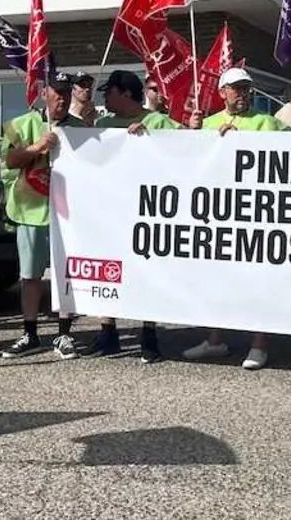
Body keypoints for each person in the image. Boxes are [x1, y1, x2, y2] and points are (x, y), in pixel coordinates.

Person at [181, 68, 288, 370]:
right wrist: (191, 133)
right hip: (219, 214)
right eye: (236, 88)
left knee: (259, 281)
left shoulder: (268, 122)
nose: (242, 94)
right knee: (217, 278)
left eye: (246, 88)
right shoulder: (208, 123)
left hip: (256, 214)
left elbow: (290, 154)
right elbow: (188, 162)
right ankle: (214, 339)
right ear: (222, 92)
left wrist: (243, 142)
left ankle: (259, 344)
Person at [88, 69, 183, 363]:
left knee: (146, 270)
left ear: (126, 93)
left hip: (145, 211)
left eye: (109, 92)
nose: (105, 97)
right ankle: (107, 332)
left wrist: (151, 138)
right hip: (110, 209)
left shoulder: (156, 121)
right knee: (108, 268)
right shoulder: (102, 125)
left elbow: (187, 146)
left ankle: (149, 334)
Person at [0, 71, 84, 360]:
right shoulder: (21, 124)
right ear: (44, 93)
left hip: (68, 214)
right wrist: (37, 148)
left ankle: (64, 333)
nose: (63, 98)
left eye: (67, 92)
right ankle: (30, 333)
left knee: (65, 274)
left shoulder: (80, 128)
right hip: (30, 211)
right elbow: (9, 161)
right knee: (30, 275)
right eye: (57, 92)